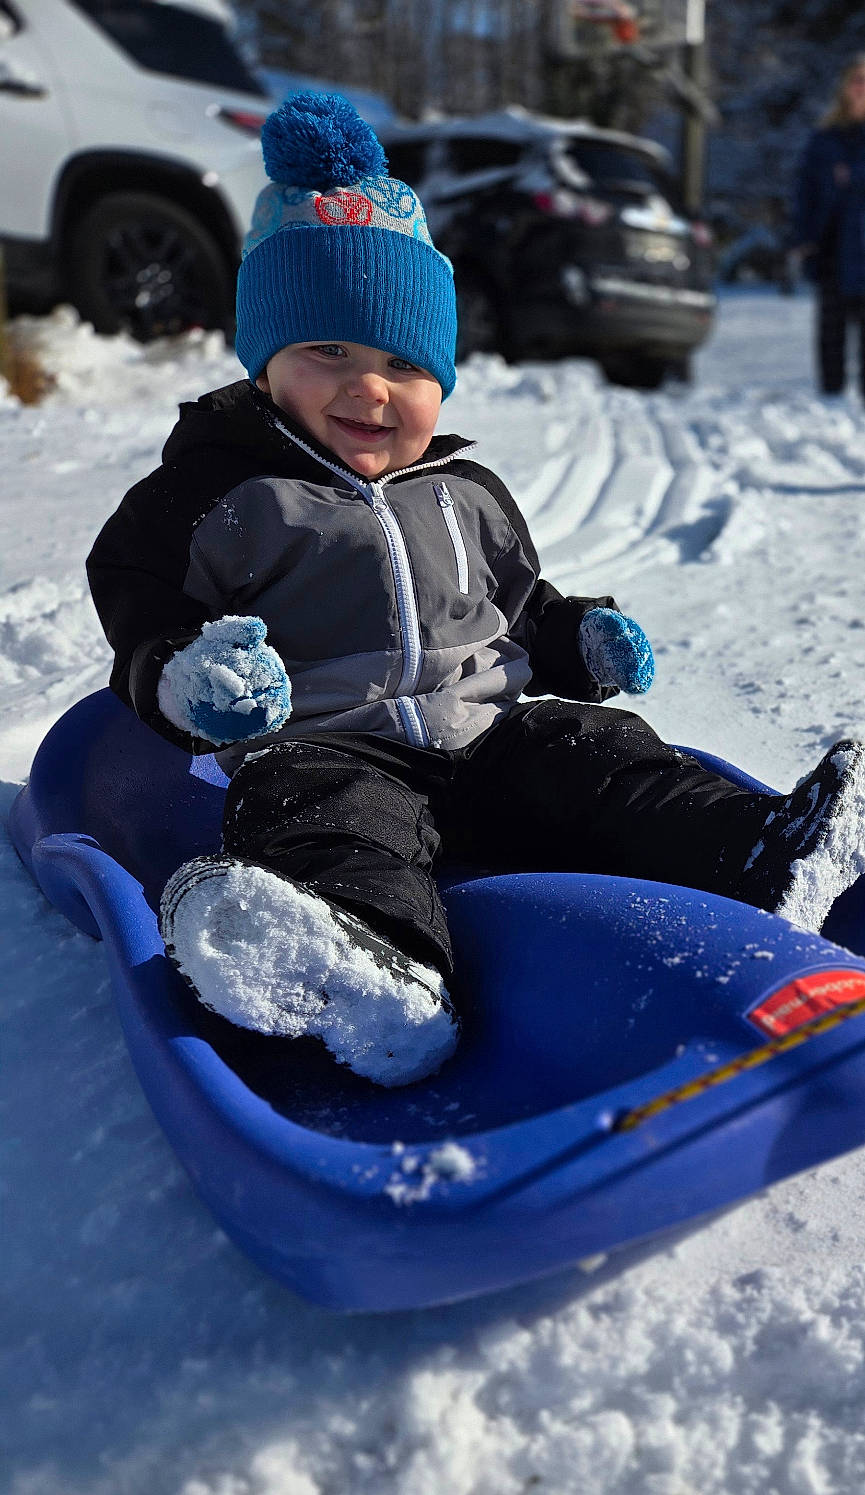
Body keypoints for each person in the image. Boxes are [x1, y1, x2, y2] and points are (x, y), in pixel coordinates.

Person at [88, 93, 865, 1089]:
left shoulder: (465, 492)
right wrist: (188, 677)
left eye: (402, 363)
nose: (370, 388)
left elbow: (517, 607)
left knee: (604, 755)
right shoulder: (216, 493)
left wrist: (576, 638)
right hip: (328, 744)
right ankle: (371, 967)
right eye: (329, 351)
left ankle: (760, 852)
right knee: (321, 819)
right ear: (265, 357)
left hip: (485, 737)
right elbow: (140, 604)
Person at [791, 53, 865, 397]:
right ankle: (830, 403)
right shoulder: (825, 138)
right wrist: (803, 238)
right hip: (832, 248)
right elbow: (805, 191)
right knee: (831, 333)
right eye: (856, 80)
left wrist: (853, 177)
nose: (861, 88)